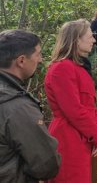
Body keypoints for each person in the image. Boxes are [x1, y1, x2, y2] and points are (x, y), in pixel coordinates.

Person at [45, 19, 97, 182]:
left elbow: (88, 107)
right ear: (76, 40)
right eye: (90, 37)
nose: (94, 40)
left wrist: (95, 136)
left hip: (81, 136)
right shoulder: (62, 68)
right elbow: (74, 110)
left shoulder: (77, 66)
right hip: (68, 139)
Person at [0, 30, 61, 182]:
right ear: (21, 61)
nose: (40, 60)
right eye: (38, 54)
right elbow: (47, 164)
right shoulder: (17, 107)